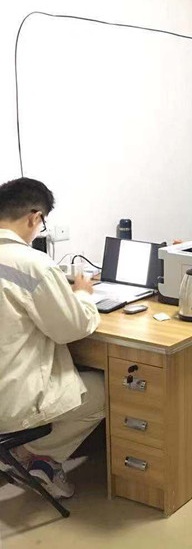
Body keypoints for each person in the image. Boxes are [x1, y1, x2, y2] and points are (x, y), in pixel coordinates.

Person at [0, 177, 104, 499]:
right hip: (13, 402)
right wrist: (83, 294)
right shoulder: (32, 264)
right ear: (35, 217)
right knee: (108, 391)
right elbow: (72, 327)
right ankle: (36, 455)